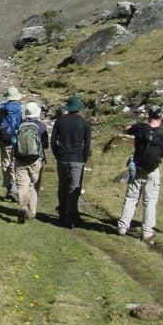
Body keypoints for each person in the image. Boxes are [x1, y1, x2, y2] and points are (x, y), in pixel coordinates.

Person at [117, 105, 163, 242]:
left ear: (148, 115)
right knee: (150, 201)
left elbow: (127, 130)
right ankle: (147, 232)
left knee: (131, 197)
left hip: (137, 167)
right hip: (152, 170)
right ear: (160, 117)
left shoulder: (140, 128)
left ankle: (122, 227)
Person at [50, 94, 92, 228]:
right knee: (75, 187)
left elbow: (53, 141)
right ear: (78, 108)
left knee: (62, 185)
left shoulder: (60, 121)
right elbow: (87, 145)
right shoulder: (84, 123)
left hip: (62, 158)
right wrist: (83, 159)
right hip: (77, 159)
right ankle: (71, 214)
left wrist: (57, 154)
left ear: (67, 108)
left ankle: (62, 212)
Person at [13, 102, 48, 223]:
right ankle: (32, 212)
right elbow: (46, 145)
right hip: (35, 160)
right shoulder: (41, 127)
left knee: (22, 186)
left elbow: (13, 141)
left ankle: (22, 207)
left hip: (20, 159)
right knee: (33, 184)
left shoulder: (19, 125)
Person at [0, 86, 24, 202]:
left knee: (6, 164)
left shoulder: (1, 109)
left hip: (4, 141)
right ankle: (16, 190)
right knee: (16, 164)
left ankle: (9, 189)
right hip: (18, 141)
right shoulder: (21, 108)